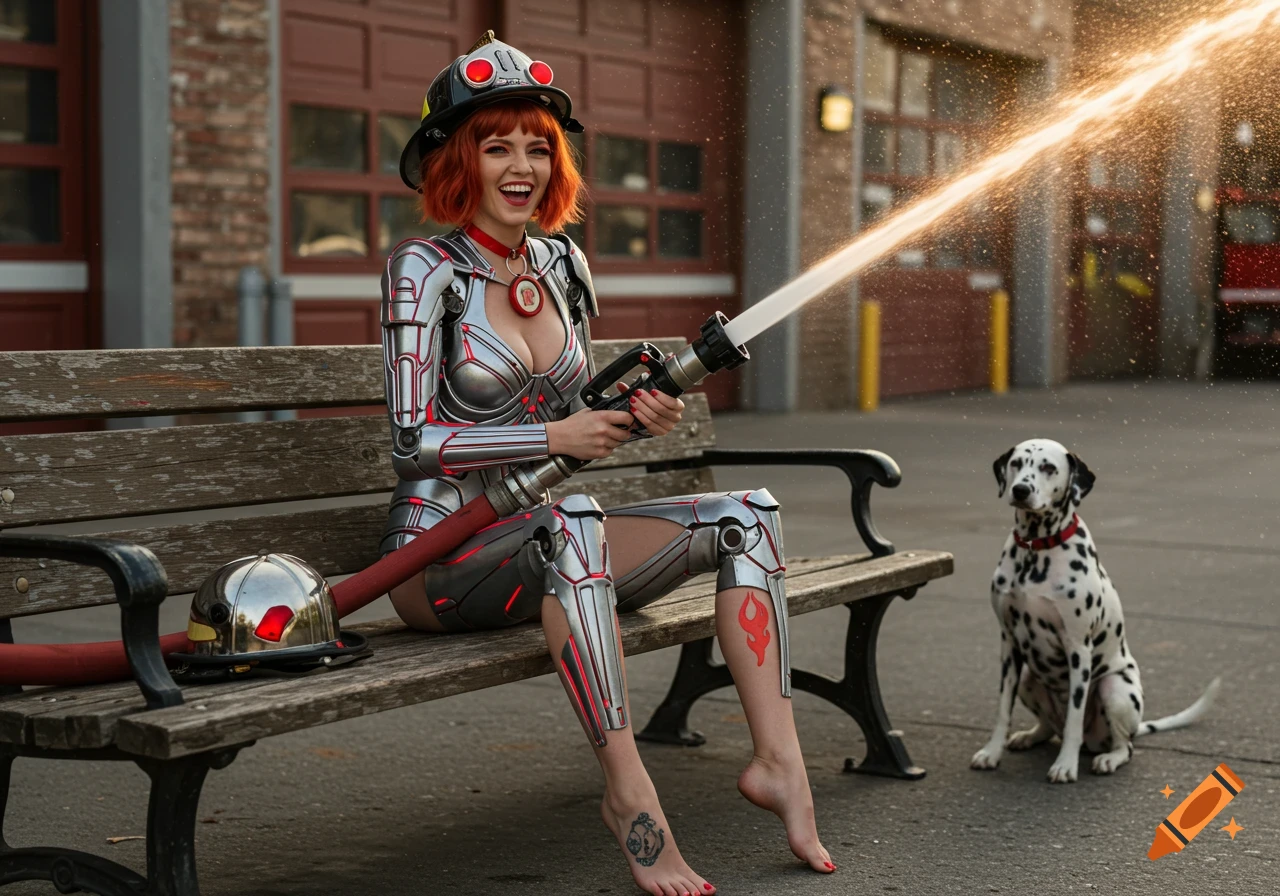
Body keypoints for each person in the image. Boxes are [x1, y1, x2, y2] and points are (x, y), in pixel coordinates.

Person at [382, 32, 833, 896]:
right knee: (575, 529)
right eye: (497, 146)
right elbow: (412, 442)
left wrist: (633, 413)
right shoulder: (423, 269)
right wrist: (556, 440)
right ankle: (632, 797)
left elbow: (570, 406)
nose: (523, 167)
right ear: (457, 161)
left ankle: (783, 767)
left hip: (541, 539)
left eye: (539, 149)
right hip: (439, 558)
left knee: (750, 515)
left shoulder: (560, 263)